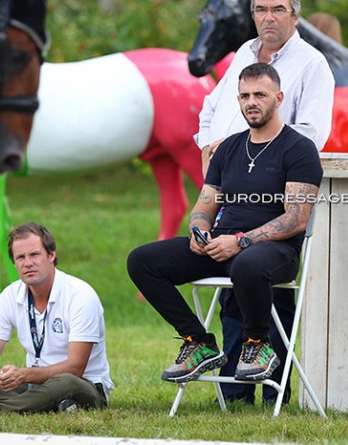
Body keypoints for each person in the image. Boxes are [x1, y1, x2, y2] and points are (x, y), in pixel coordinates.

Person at [128, 63, 322, 395]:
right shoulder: (228, 148)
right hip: (223, 245)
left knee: (248, 263)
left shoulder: (299, 149)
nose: (251, 102)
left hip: (275, 251)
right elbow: (204, 206)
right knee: (142, 260)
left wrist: (241, 241)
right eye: (245, 95)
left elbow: (295, 219)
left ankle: (257, 343)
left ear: (279, 97)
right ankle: (198, 341)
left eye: (260, 94)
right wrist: (199, 232)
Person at [194, 0, 335, 405]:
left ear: (295, 15)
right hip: (228, 193)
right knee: (231, 294)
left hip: (275, 198)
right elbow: (212, 108)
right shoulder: (242, 54)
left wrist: (241, 152)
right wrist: (207, 147)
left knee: (265, 287)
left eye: (277, 10)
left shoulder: (312, 64)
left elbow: (311, 134)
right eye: (260, 10)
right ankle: (236, 390)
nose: (267, 18)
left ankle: (275, 389)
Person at [0, 222, 113, 413]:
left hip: (82, 384)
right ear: (14, 263)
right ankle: (48, 406)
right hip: (35, 386)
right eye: (20, 257)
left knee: (65, 381)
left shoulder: (80, 295)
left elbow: (76, 367)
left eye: (34, 255)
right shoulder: (10, 295)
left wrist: (25, 375)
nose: (27, 263)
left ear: (51, 255)